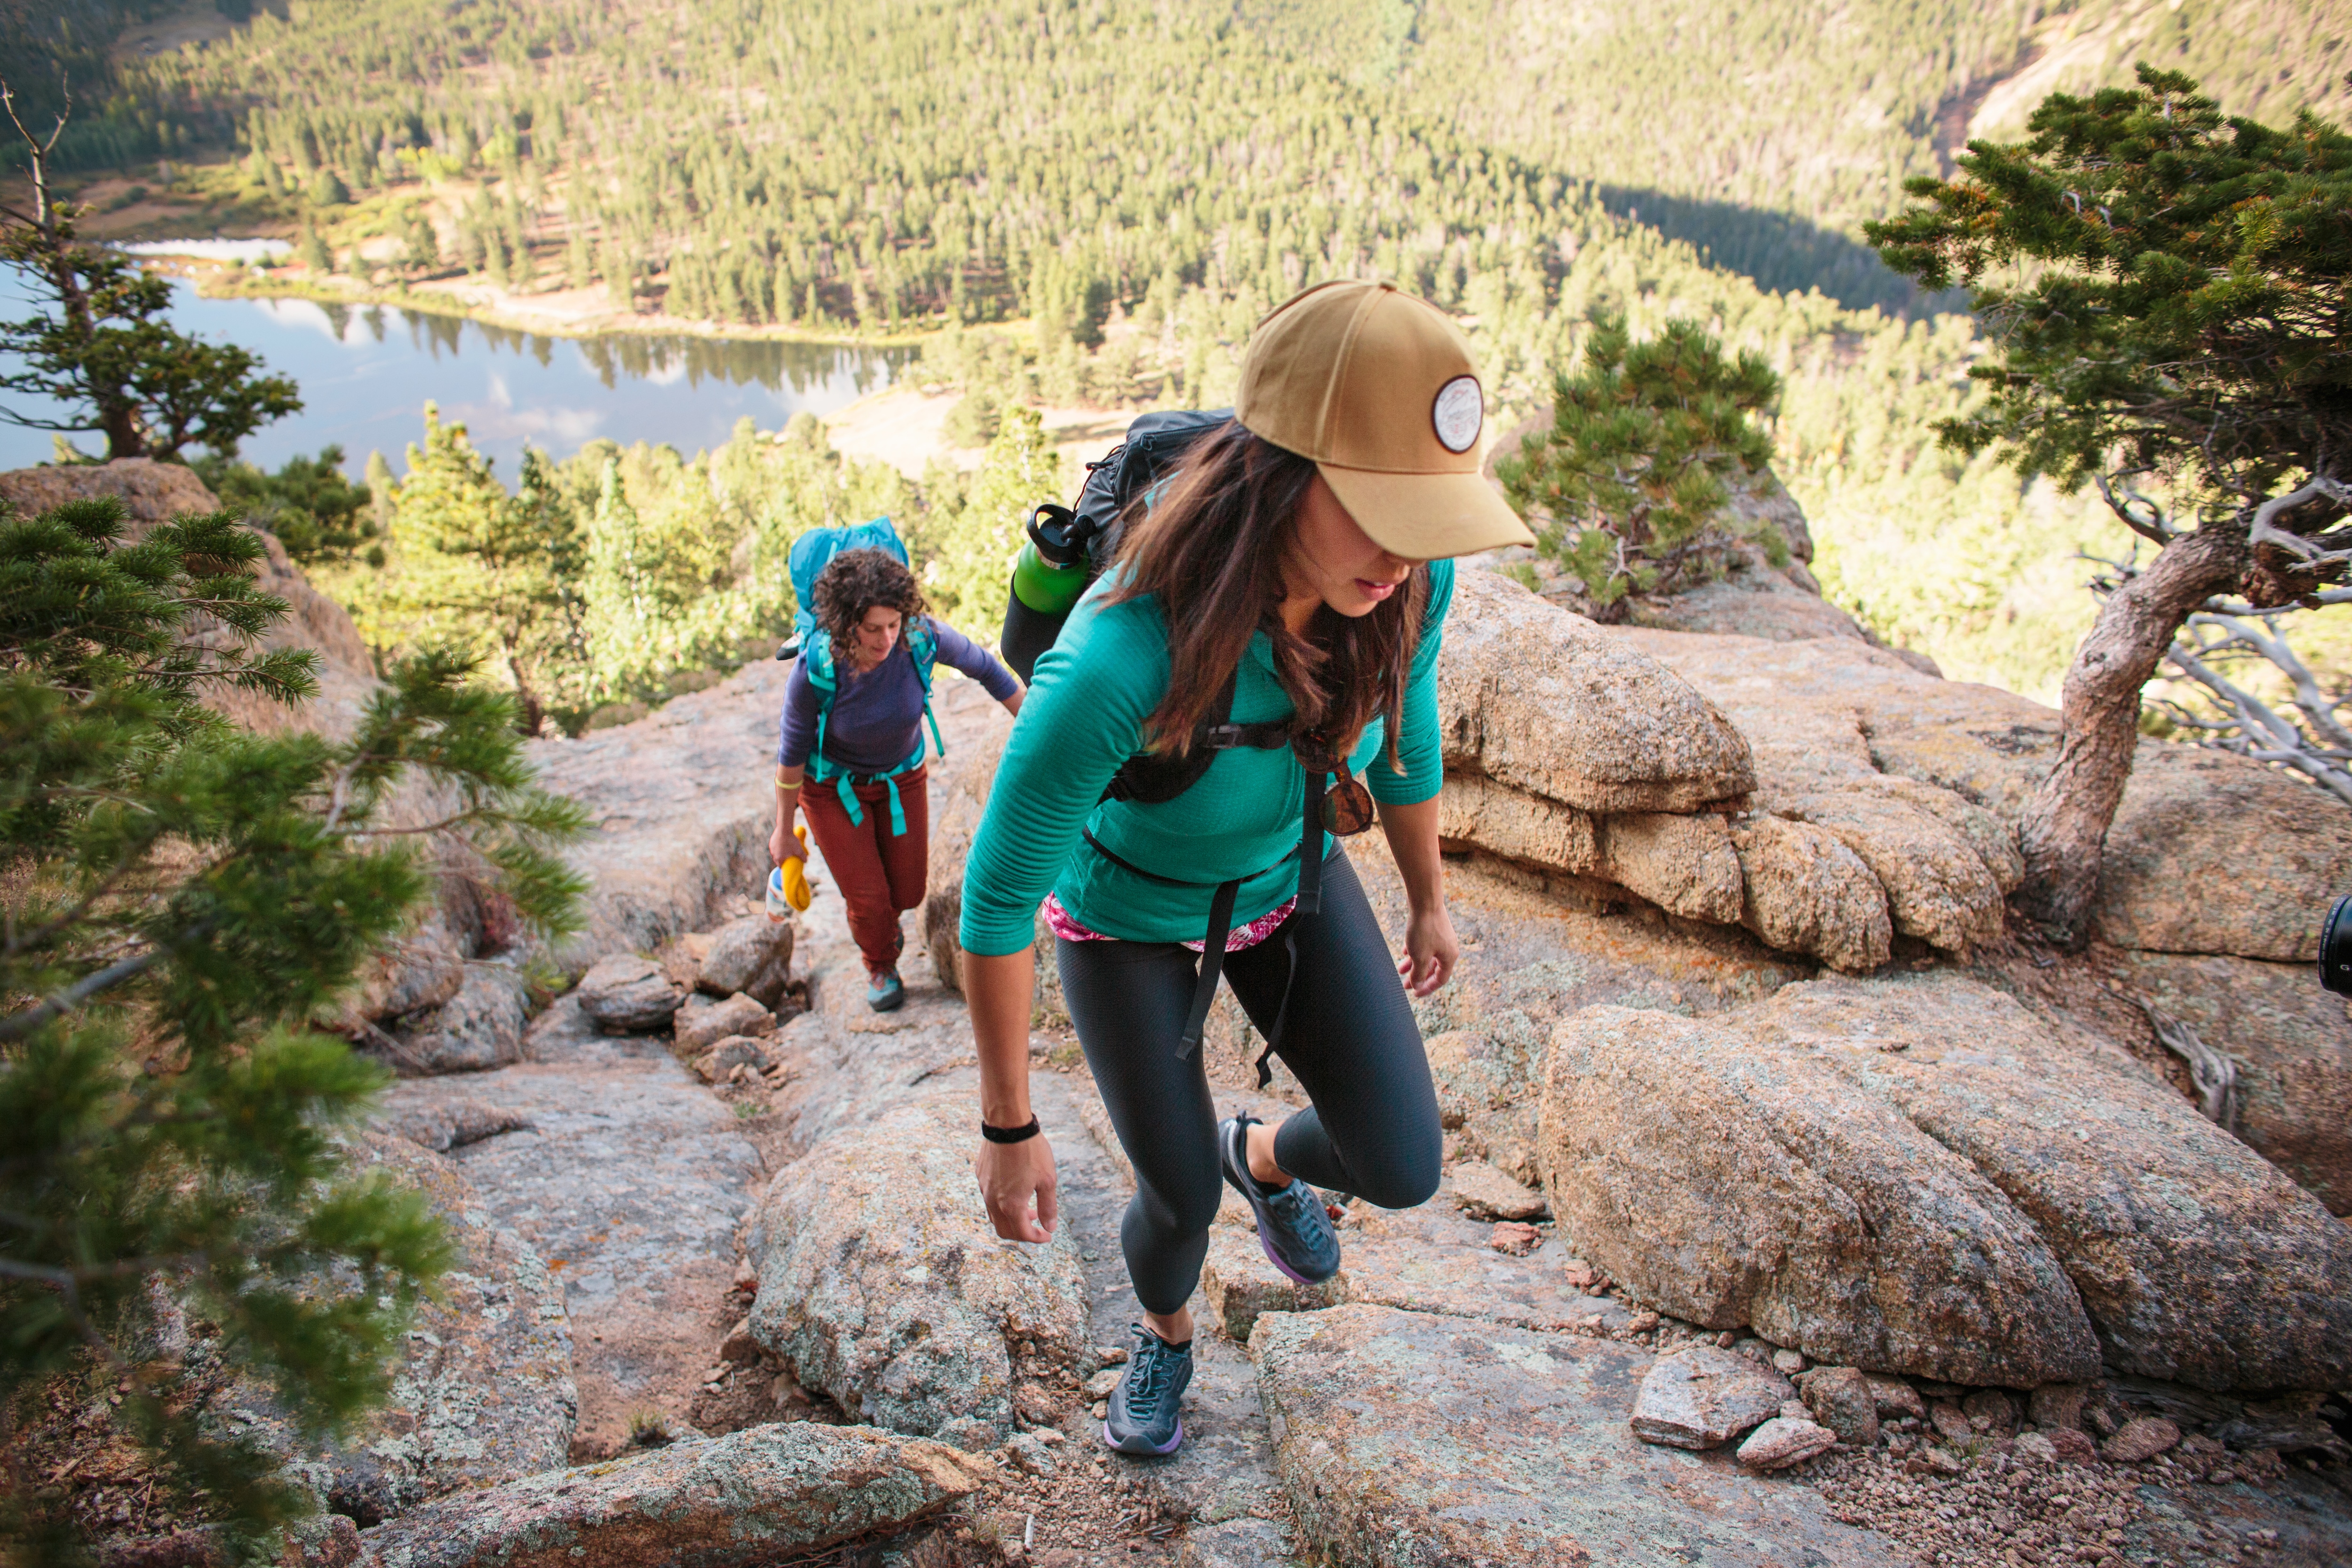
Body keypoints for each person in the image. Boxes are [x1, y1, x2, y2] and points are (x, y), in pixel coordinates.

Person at [955, 280, 1536, 1455]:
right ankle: (1164, 1339)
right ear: (1278, 472)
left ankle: (1261, 1152)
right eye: (1378, 508)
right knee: (1173, 1200)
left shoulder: (1411, 580)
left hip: (1290, 889)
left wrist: (1427, 898)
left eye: (1425, 513)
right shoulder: (1124, 651)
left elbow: (1409, 736)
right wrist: (1008, 1124)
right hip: (1123, 926)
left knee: (1403, 1163)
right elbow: (998, 898)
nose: (1405, 549)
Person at [772, 548, 1024, 1010]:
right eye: (872, 629)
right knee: (870, 900)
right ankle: (879, 963)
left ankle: (883, 930)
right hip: (830, 788)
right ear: (846, 623)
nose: (886, 638)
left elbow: (987, 669)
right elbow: (789, 757)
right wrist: (783, 830)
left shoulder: (920, 639)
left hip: (900, 776)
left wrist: (1037, 725)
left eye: (893, 624)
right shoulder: (817, 669)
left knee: (907, 891)